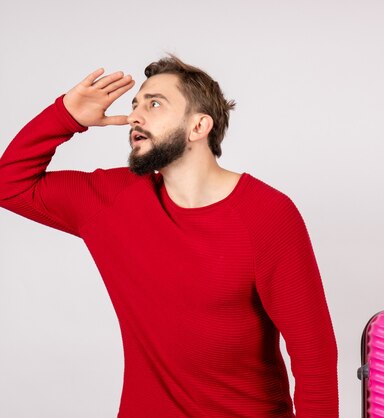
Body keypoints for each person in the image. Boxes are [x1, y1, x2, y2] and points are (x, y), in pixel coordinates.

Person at [0, 56, 338, 417]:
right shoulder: (114, 200)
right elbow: (9, 185)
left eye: (154, 104)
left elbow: (313, 354)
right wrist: (65, 115)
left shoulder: (267, 215)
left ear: (198, 126)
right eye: (135, 105)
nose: (134, 117)